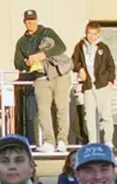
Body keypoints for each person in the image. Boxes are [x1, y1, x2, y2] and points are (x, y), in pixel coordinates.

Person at [13, 9, 73, 152]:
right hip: (39, 77)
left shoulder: (48, 33)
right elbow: (17, 63)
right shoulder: (21, 42)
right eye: (27, 20)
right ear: (24, 22)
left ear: (37, 20)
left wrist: (43, 55)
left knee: (62, 108)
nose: (30, 23)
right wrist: (28, 63)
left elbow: (61, 47)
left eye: (32, 20)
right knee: (43, 110)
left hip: (59, 74)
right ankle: (49, 142)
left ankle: (62, 140)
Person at [71, 21, 117, 151]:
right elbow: (73, 61)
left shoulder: (103, 48)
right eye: (89, 33)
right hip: (88, 85)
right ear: (86, 33)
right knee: (89, 115)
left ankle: (108, 141)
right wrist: (79, 69)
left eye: (94, 34)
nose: (91, 36)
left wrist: (110, 80)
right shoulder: (80, 46)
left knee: (105, 114)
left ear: (98, 34)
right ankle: (92, 141)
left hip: (102, 85)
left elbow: (111, 65)